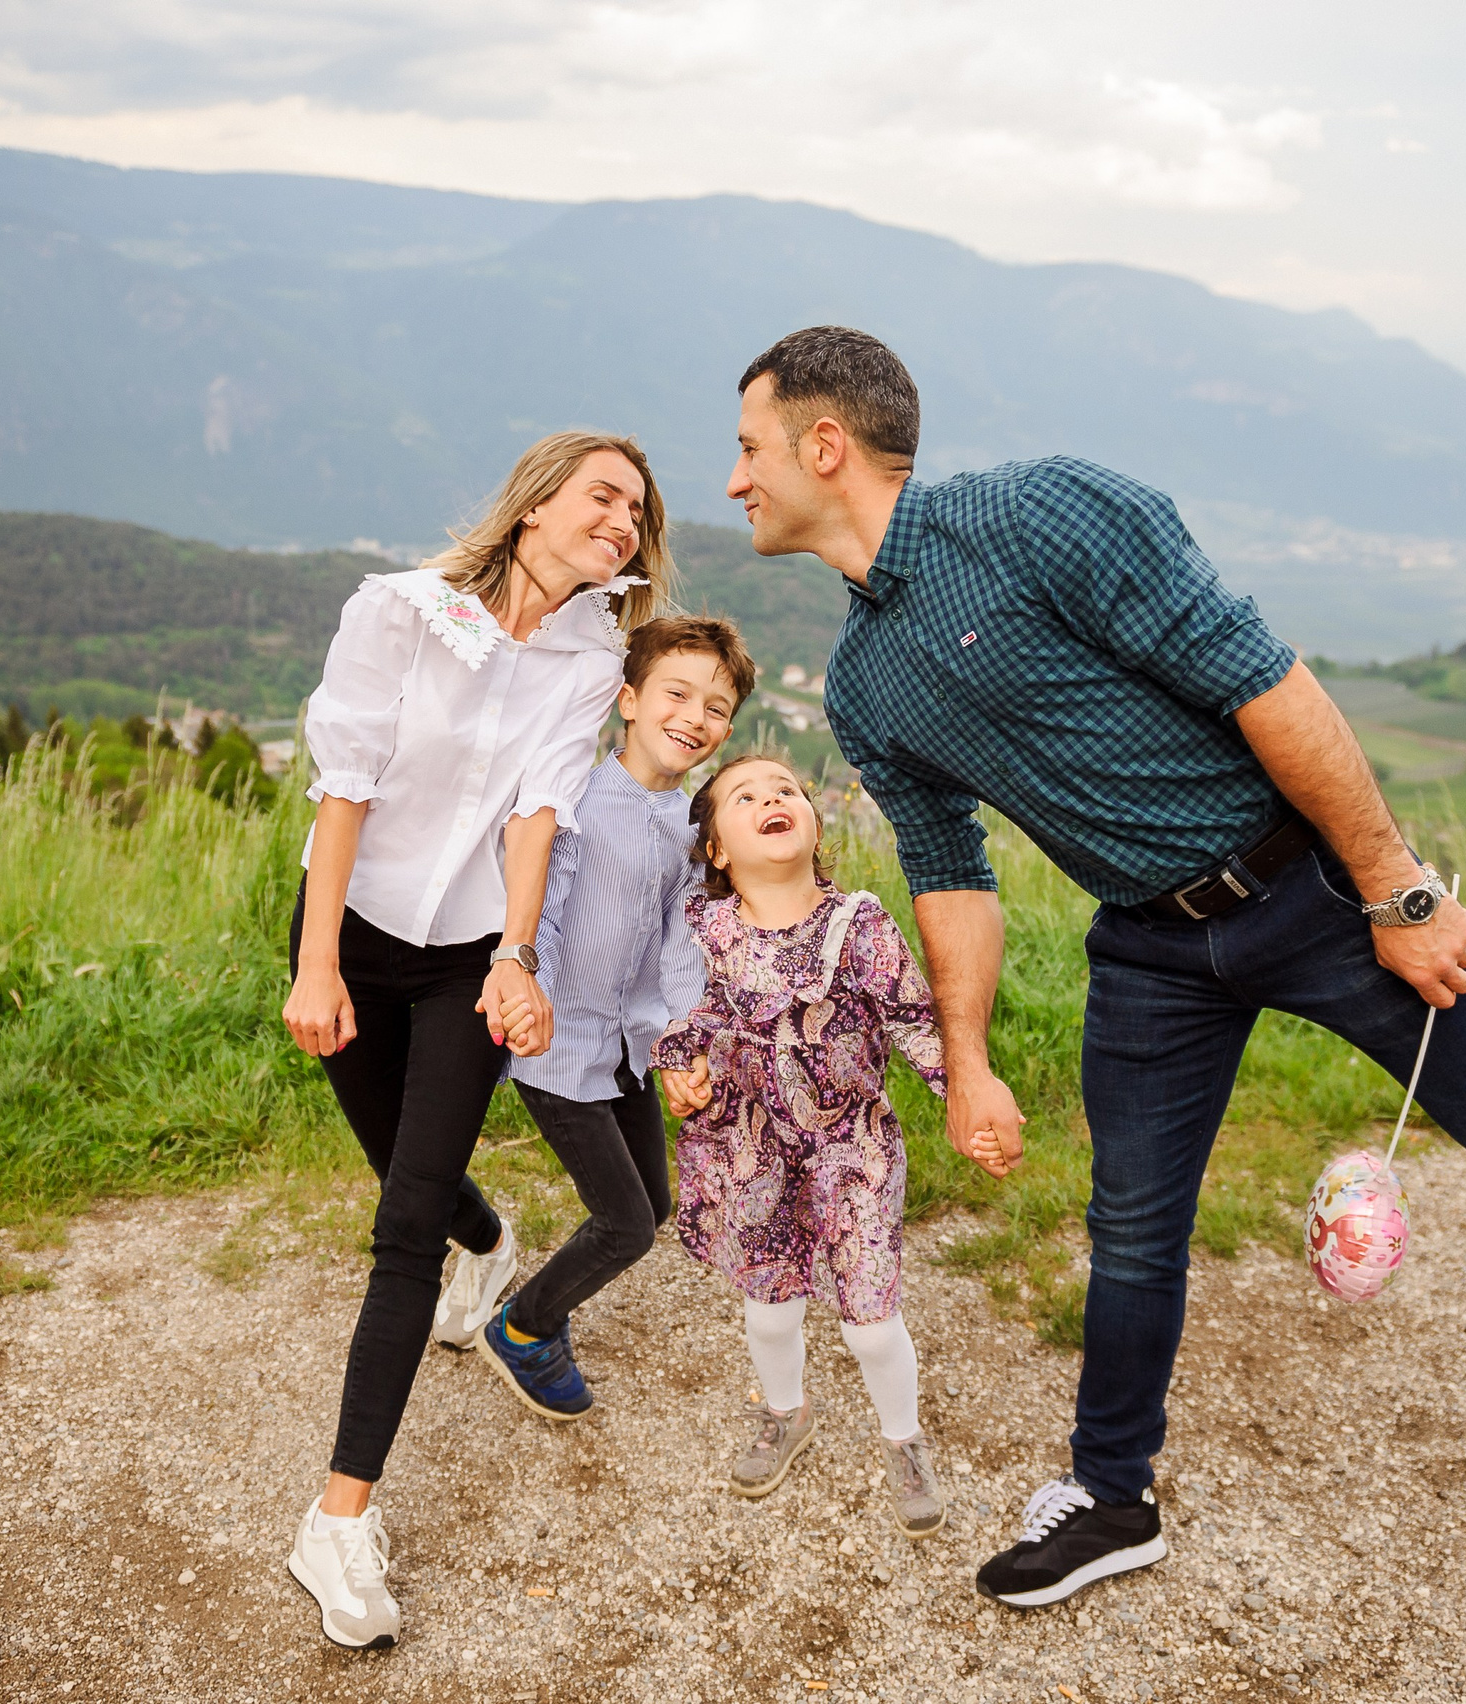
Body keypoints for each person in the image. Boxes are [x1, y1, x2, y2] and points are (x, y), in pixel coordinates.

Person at [724, 326, 1466, 1609]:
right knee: (1132, 1230)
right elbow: (949, 869)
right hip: (1148, 949)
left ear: (824, 445)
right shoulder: (862, 684)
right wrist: (965, 1062)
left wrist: (1396, 890)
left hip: (1317, 892)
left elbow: (1262, 682)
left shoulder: (1038, 515)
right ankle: (1112, 1497)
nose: (734, 480)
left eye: (748, 448)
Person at [279, 431, 673, 1650]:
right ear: (536, 503)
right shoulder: (398, 610)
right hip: (351, 930)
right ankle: (490, 1241)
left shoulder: (590, 653)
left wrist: (515, 954)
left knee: (403, 1224)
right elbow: (345, 786)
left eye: (637, 512)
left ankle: (336, 1523)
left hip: (467, 957)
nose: (623, 521)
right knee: (405, 1166)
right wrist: (317, 962)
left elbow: (537, 812)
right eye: (603, 495)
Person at [653, 753, 960, 1537]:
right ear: (717, 850)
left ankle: (904, 1440)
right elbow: (701, 1011)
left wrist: (967, 1099)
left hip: (851, 1148)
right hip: (751, 1146)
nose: (771, 798)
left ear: (814, 824)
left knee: (870, 1322)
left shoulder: (858, 924)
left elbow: (915, 1023)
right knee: (769, 1309)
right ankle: (786, 1414)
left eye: (785, 789)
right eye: (745, 796)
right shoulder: (710, 926)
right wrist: (681, 1061)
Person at [476, 614, 757, 1420]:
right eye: (677, 694)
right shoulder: (579, 800)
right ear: (628, 700)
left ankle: (537, 1310)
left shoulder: (688, 824)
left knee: (652, 1207)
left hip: (629, 1048)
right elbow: (541, 908)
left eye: (715, 708)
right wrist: (524, 993)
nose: (694, 717)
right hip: (559, 1049)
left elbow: (678, 946)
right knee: (627, 1225)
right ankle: (523, 1328)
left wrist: (684, 1042)